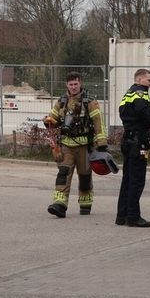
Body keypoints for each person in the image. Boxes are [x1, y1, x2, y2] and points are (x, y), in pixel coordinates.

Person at [43, 72, 108, 218]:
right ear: (67, 85)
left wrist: (102, 144)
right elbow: (52, 118)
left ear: (80, 84)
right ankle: (59, 205)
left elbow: (98, 122)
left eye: (76, 84)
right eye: (71, 84)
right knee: (63, 173)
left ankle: (85, 204)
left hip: (85, 146)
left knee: (85, 176)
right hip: (66, 145)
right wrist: (48, 121)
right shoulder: (61, 101)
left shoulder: (89, 102)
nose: (73, 87)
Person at [116, 68, 150, 228]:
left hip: (128, 138)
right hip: (137, 141)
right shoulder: (140, 93)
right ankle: (133, 216)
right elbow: (142, 112)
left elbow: (122, 112)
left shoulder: (128, 93)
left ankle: (122, 215)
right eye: (149, 80)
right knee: (137, 181)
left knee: (128, 179)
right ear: (139, 80)